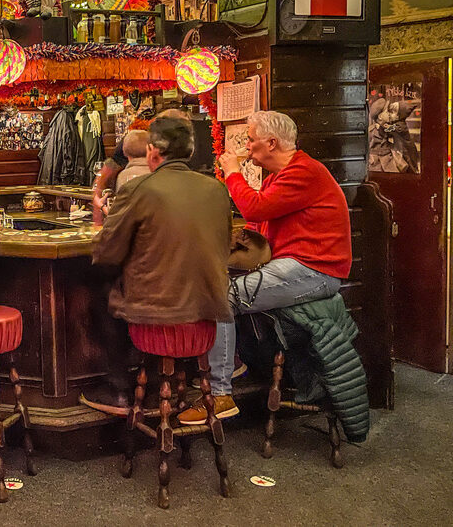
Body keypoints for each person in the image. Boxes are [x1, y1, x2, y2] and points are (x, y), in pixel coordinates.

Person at [179, 110, 351, 425]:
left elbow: (255, 206)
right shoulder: (281, 176)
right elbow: (259, 221)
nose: (248, 145)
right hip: (296, 265)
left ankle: (220, 393)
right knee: (220, 283)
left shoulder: (304, 172)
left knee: (220, 297)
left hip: (316, 271)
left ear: (271, 143)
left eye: (252, 140)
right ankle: (233, 362)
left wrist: (232, 172)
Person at [84, 116, 232, 414]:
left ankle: (121, 390)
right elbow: (224, 244)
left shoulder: (138, 189)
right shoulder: (216, 189)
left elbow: (107, 253)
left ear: (153, 152)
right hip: (206, 312)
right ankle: (166, 381)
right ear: (189, 152)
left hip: (157, 315)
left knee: (101, 297)